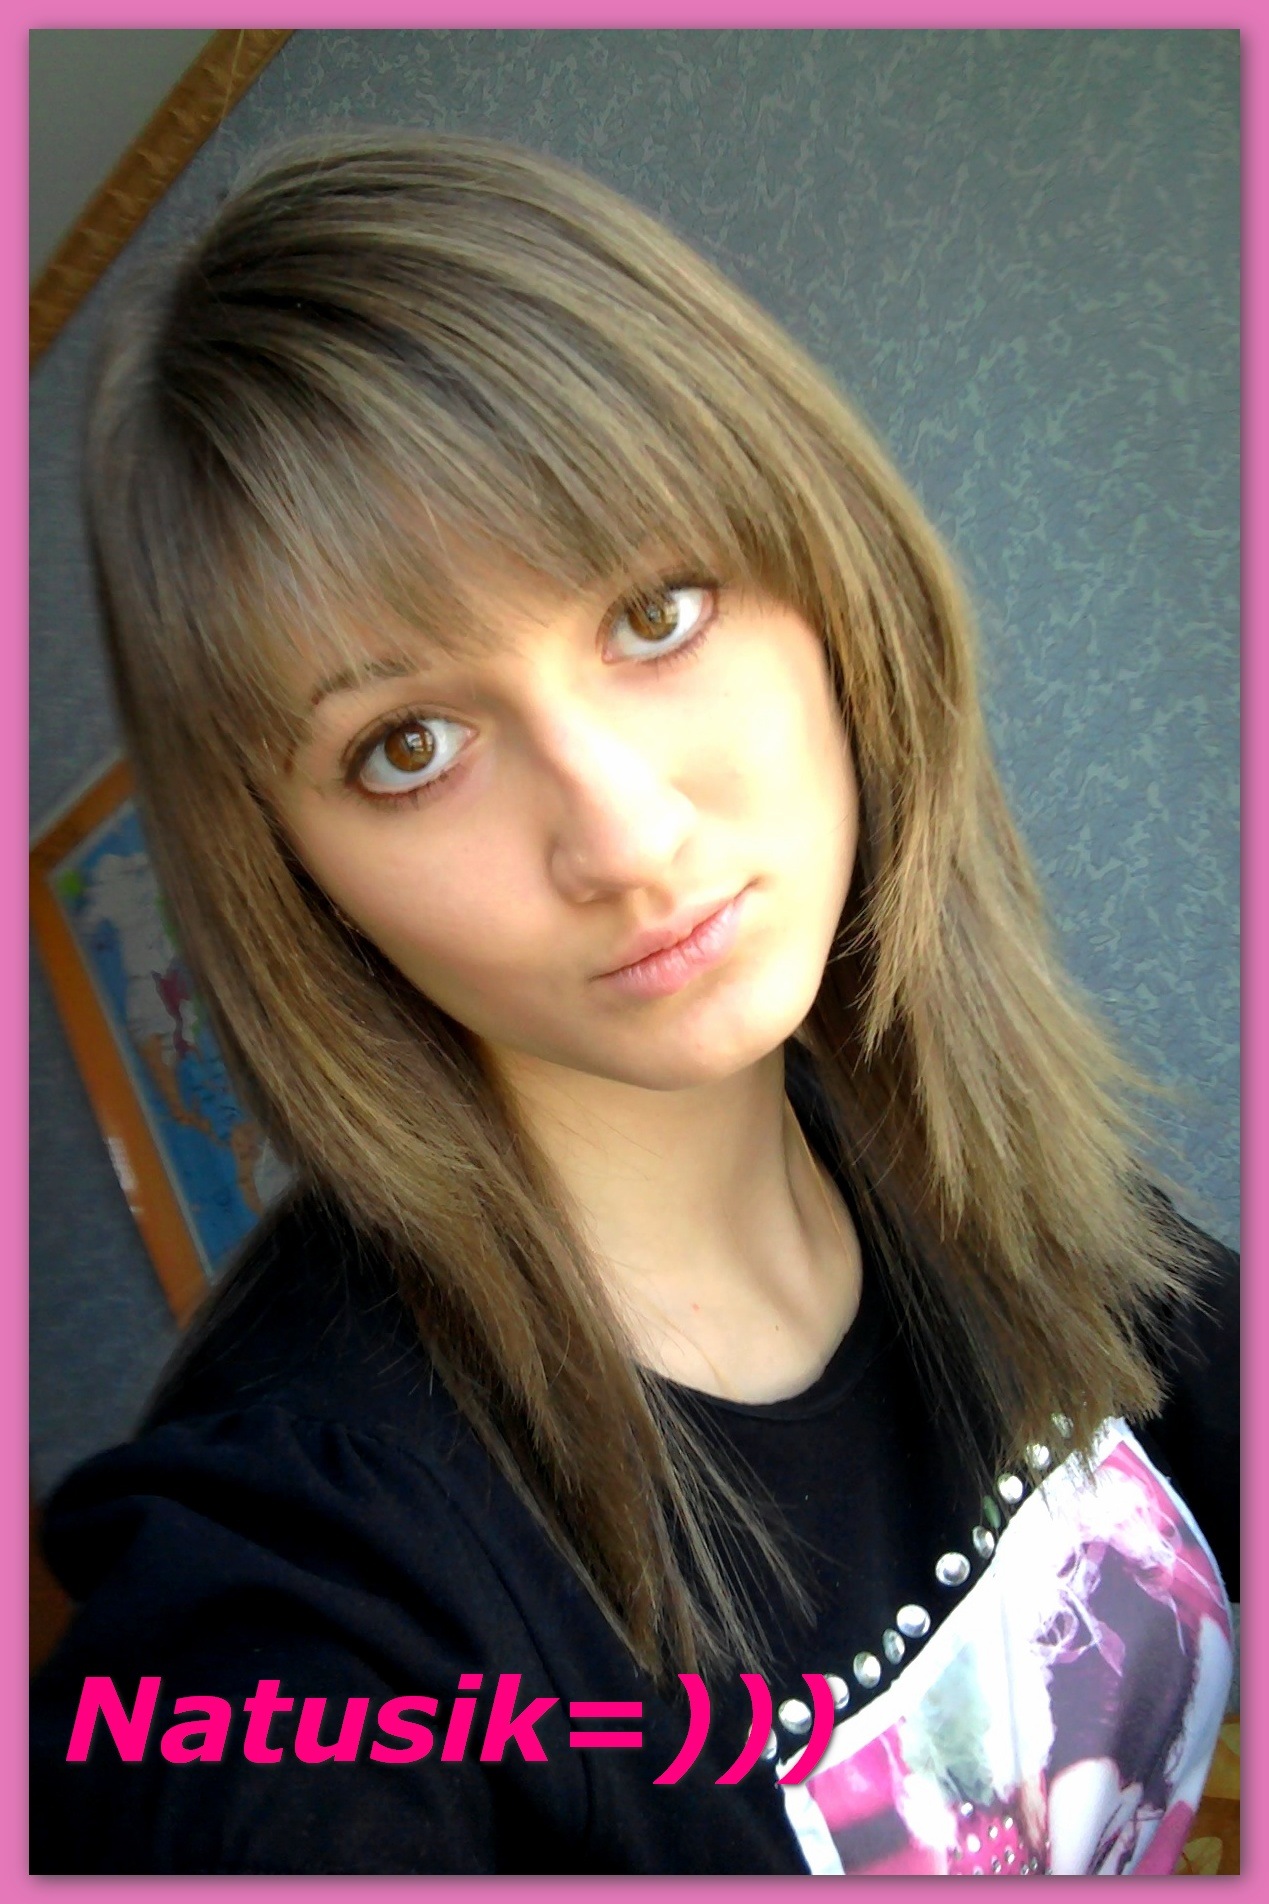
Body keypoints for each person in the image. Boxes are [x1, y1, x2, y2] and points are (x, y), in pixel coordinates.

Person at [29, 131, 1238, 1876]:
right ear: (293, 868)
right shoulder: (306, 1567)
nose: (623, 835)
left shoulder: (956, 1149)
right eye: (406, 746)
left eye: (656, 612)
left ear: (830, 588)